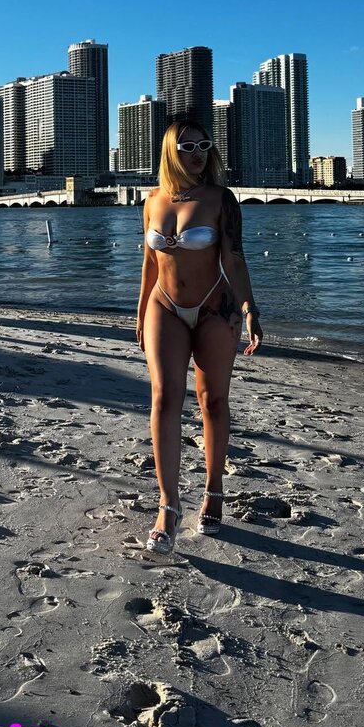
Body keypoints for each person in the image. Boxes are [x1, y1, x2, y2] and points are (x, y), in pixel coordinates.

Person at [136, 119, 263, 554]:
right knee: (164, 397)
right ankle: (168, 507)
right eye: (186, 147)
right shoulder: (152, 199)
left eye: (203, 145)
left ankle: (214, 491)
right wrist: (140, 312)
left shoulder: (221, 199)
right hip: (163, 306)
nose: (196, 154)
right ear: (170, 152)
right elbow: (149, 263)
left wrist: (249, 309)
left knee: (212, 400)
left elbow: (235, 259)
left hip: (215, 309)